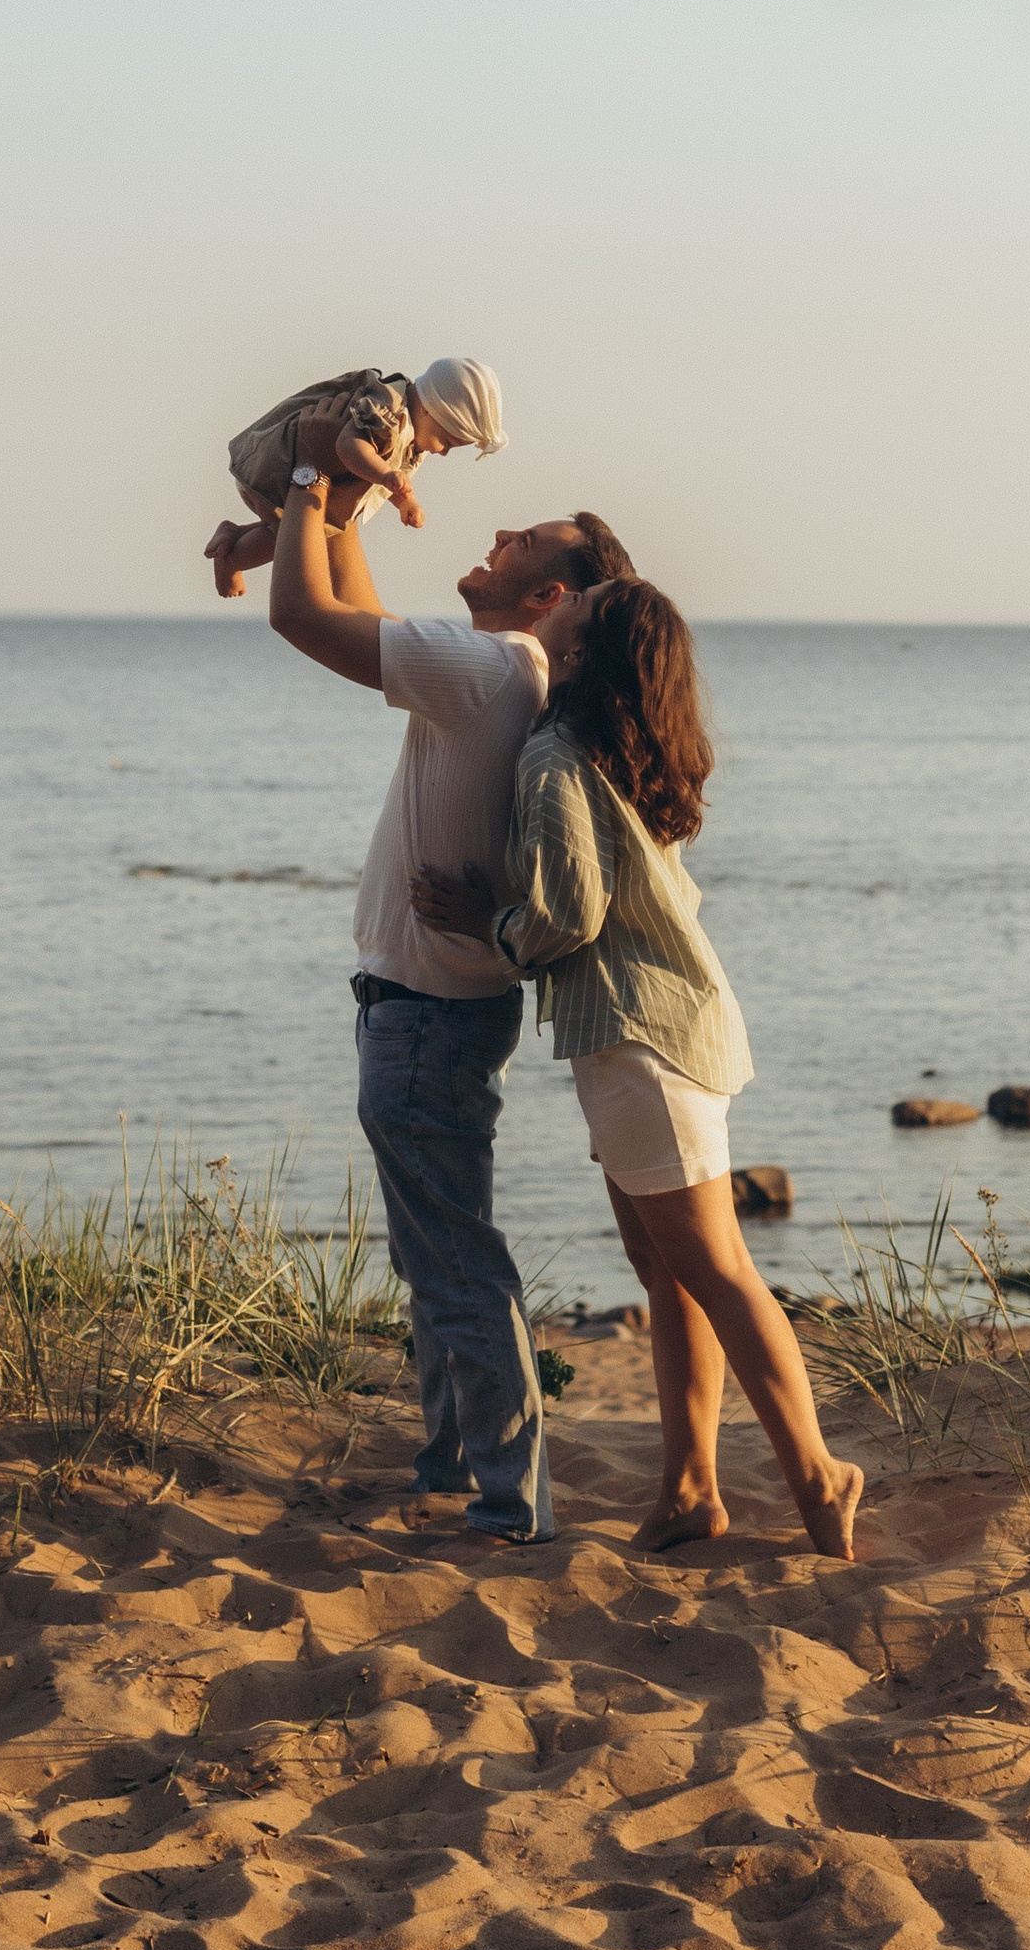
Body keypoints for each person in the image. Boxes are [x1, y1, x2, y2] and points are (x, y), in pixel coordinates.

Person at [411, 580, 865, 1564]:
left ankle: (818, 1475)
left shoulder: (553, 759)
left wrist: (482, 922)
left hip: (641, 1042)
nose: (566, 601)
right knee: (669, 1273)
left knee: (715, 1270)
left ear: (580, 651)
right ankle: (690, 1490)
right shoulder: (619, 752)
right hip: (660, 1031)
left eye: (585, 601)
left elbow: (564, 915)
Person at [268, 444, 633, 1544]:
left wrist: (301, 485)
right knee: (434, 1256)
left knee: (456, 1262)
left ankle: (505, 1501)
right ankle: (447, 1471)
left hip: (424, 1014)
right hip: (435, 1008)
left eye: (515, 542)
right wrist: (346, 496)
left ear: (547, 595)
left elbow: (302, 616)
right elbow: (349, 602)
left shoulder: (488, 669)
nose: (492, 538)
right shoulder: (494, 671)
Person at [207, 355, 503, 596]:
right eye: (447, 443)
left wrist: (406, 503)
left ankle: (233, 535)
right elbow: (348, 446)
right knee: (287, 539)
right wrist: (384, 474)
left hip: (291, 478)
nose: (443, 453)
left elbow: (399, 477)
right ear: (429, 410)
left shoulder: (412, 433)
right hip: (278, 469)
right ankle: (230, 560)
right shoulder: (387, 411)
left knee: (295, 529)